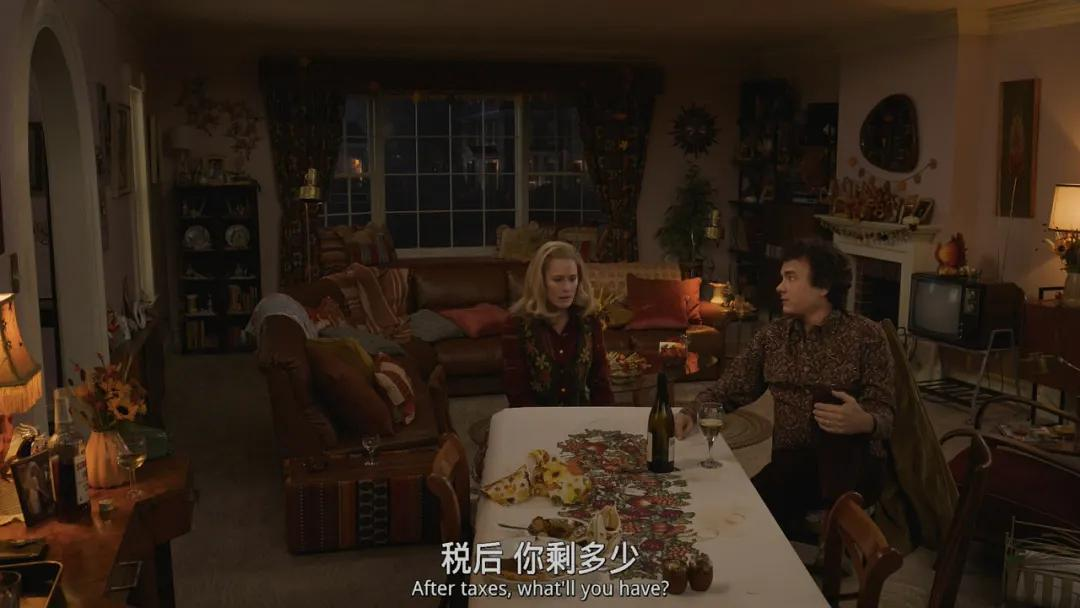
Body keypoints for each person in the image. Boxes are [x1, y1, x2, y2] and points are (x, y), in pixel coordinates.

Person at [675, 239, 895, 537]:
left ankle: (824, 529)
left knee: (749, 512)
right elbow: (728, 389)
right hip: (790, 465)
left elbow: (887, 415)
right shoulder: (773, 337)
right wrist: (690, 411)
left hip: (852, 467)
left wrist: (865, 421)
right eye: (782, 278)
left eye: (790, 278)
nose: (779, 287)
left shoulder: (867, 336)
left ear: (823, 286)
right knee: (739, 508)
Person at [502, 240, 614, 406]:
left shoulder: (588, 319)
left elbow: (600, 382)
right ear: (541, 282)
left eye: (572, 279)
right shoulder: (517, 323)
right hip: (533, 417)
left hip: (580, 416)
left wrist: (605, 418)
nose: (567, 288)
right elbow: (517, 391)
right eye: (558, 279)